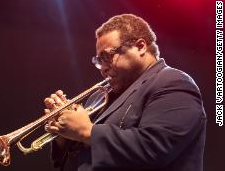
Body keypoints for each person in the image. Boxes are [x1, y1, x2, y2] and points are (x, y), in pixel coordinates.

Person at [44, 14, 206, 171]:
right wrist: (63, 134)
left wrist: (87, 131)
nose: (104, 68)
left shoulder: (173, 82)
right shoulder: (99, 96)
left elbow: (154, 148)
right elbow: (80, 160)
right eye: (99, 61)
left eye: (107, 56)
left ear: (140, 46)